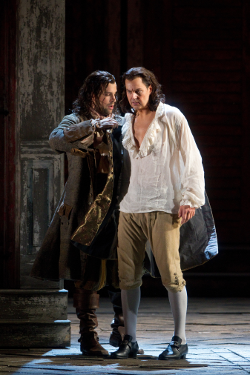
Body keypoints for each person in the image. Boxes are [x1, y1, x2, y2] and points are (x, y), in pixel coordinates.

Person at [111, 67, 217, 360]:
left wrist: (190, 198)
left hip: (163, 204)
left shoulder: (171, 117)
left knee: (171, 274)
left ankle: (180, 340)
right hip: (130, 206)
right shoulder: (126, 122)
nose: (132, 96)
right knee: (127, 276)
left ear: (151, 89)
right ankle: (129, 339)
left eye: (138, 91)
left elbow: (192, 158)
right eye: (128, 91)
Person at [31, 71, 125, 356]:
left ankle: (122, 329)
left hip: (117, 207)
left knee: (123, 270)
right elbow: (56, 139)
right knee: (87, 272)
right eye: (107, 93)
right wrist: (94, 125)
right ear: (93, 94)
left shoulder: (121, 120)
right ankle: (88, 337)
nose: (113, 99)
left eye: (114, 93)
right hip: (86, 210)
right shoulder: (76, 120)